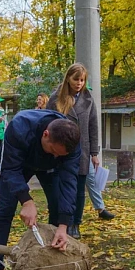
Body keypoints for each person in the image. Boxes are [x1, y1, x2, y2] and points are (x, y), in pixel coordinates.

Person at [0, 110, 81, 270]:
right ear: (46, 134)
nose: (55, 156)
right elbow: (10, 169)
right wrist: (26, 200)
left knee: (57, 206)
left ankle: (54, 268)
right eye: (53, 151)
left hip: (51, 171)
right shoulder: (20, 127)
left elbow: (69, 181)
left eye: (60, 155)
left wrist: (64, 224)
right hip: (20, 165)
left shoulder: (71, 141)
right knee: (4, 211)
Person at [48, 63, 114, 239]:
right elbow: (45, 122)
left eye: (82, 80)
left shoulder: (88, 98)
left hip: (82, 151)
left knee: (78, 190)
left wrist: (94, 153)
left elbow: (93, 126)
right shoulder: (55, 98)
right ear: (68, 78)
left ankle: (75, 223)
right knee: (58, 188)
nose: (79, 83)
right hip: (59, 149)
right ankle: (57, 223)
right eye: (76, 79)